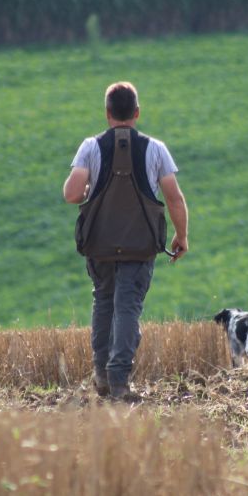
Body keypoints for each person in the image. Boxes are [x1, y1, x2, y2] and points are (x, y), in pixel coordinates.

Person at [63, 81, 189, 402]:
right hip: (140, 244)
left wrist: (93, 191)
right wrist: (181, 235)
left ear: (107, 114)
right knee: (127, 307)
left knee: (103, 302)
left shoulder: (90, 147)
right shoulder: (155, 149)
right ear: (137, 113)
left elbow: (72, 194)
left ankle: (102, 376)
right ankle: (120, 381)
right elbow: (174, 198)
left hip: (100, 245)